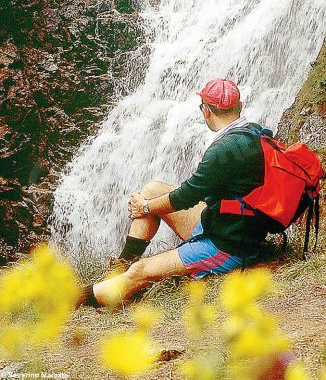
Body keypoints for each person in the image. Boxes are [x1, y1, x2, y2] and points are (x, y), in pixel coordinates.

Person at [80, 78, 268, 307]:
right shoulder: (254, 132)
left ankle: (82, 299)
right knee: (151, 191)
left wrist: (144, 207)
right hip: (226, 224)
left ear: (206, 111)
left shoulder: (223, 150)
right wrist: (147, 202)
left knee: (140, 271)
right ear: (239, 107)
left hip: (227, 246)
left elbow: (186, 196)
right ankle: (123, 264)